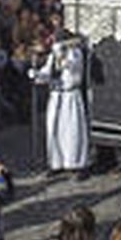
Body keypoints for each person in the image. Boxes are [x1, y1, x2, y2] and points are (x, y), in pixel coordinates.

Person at [29, 31, 90, 176]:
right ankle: (56, 163)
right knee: (54, 131)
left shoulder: (75, 53)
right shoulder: (53, 55)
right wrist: (37, 74)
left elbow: (73, 68)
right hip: (56, 96)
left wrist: (63, 58)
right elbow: (47, 73)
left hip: (70, 96)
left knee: (72, 132)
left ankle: (76, 164)